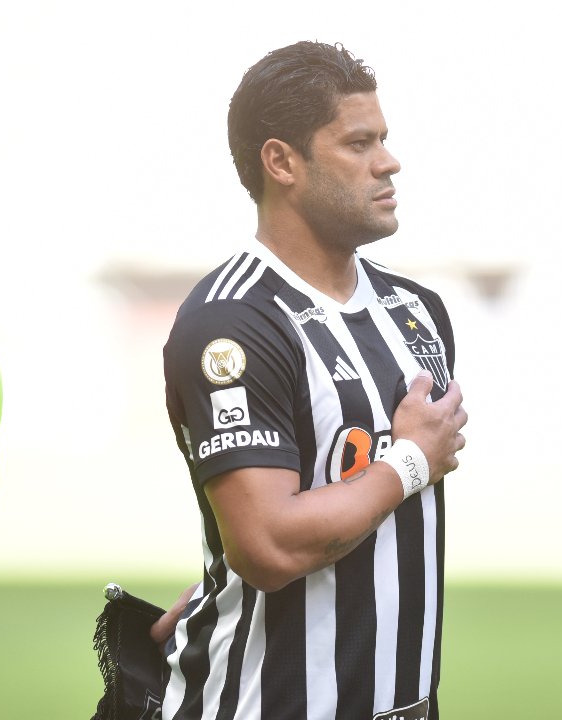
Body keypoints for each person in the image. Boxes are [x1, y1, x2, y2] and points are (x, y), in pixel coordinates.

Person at [157, 41, 467, 720]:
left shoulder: (415, 312)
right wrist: (411, 458)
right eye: (358, 143)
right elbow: (268, 544)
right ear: (281, 162)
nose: (388, 162)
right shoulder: (232, 323)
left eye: (383, 139)